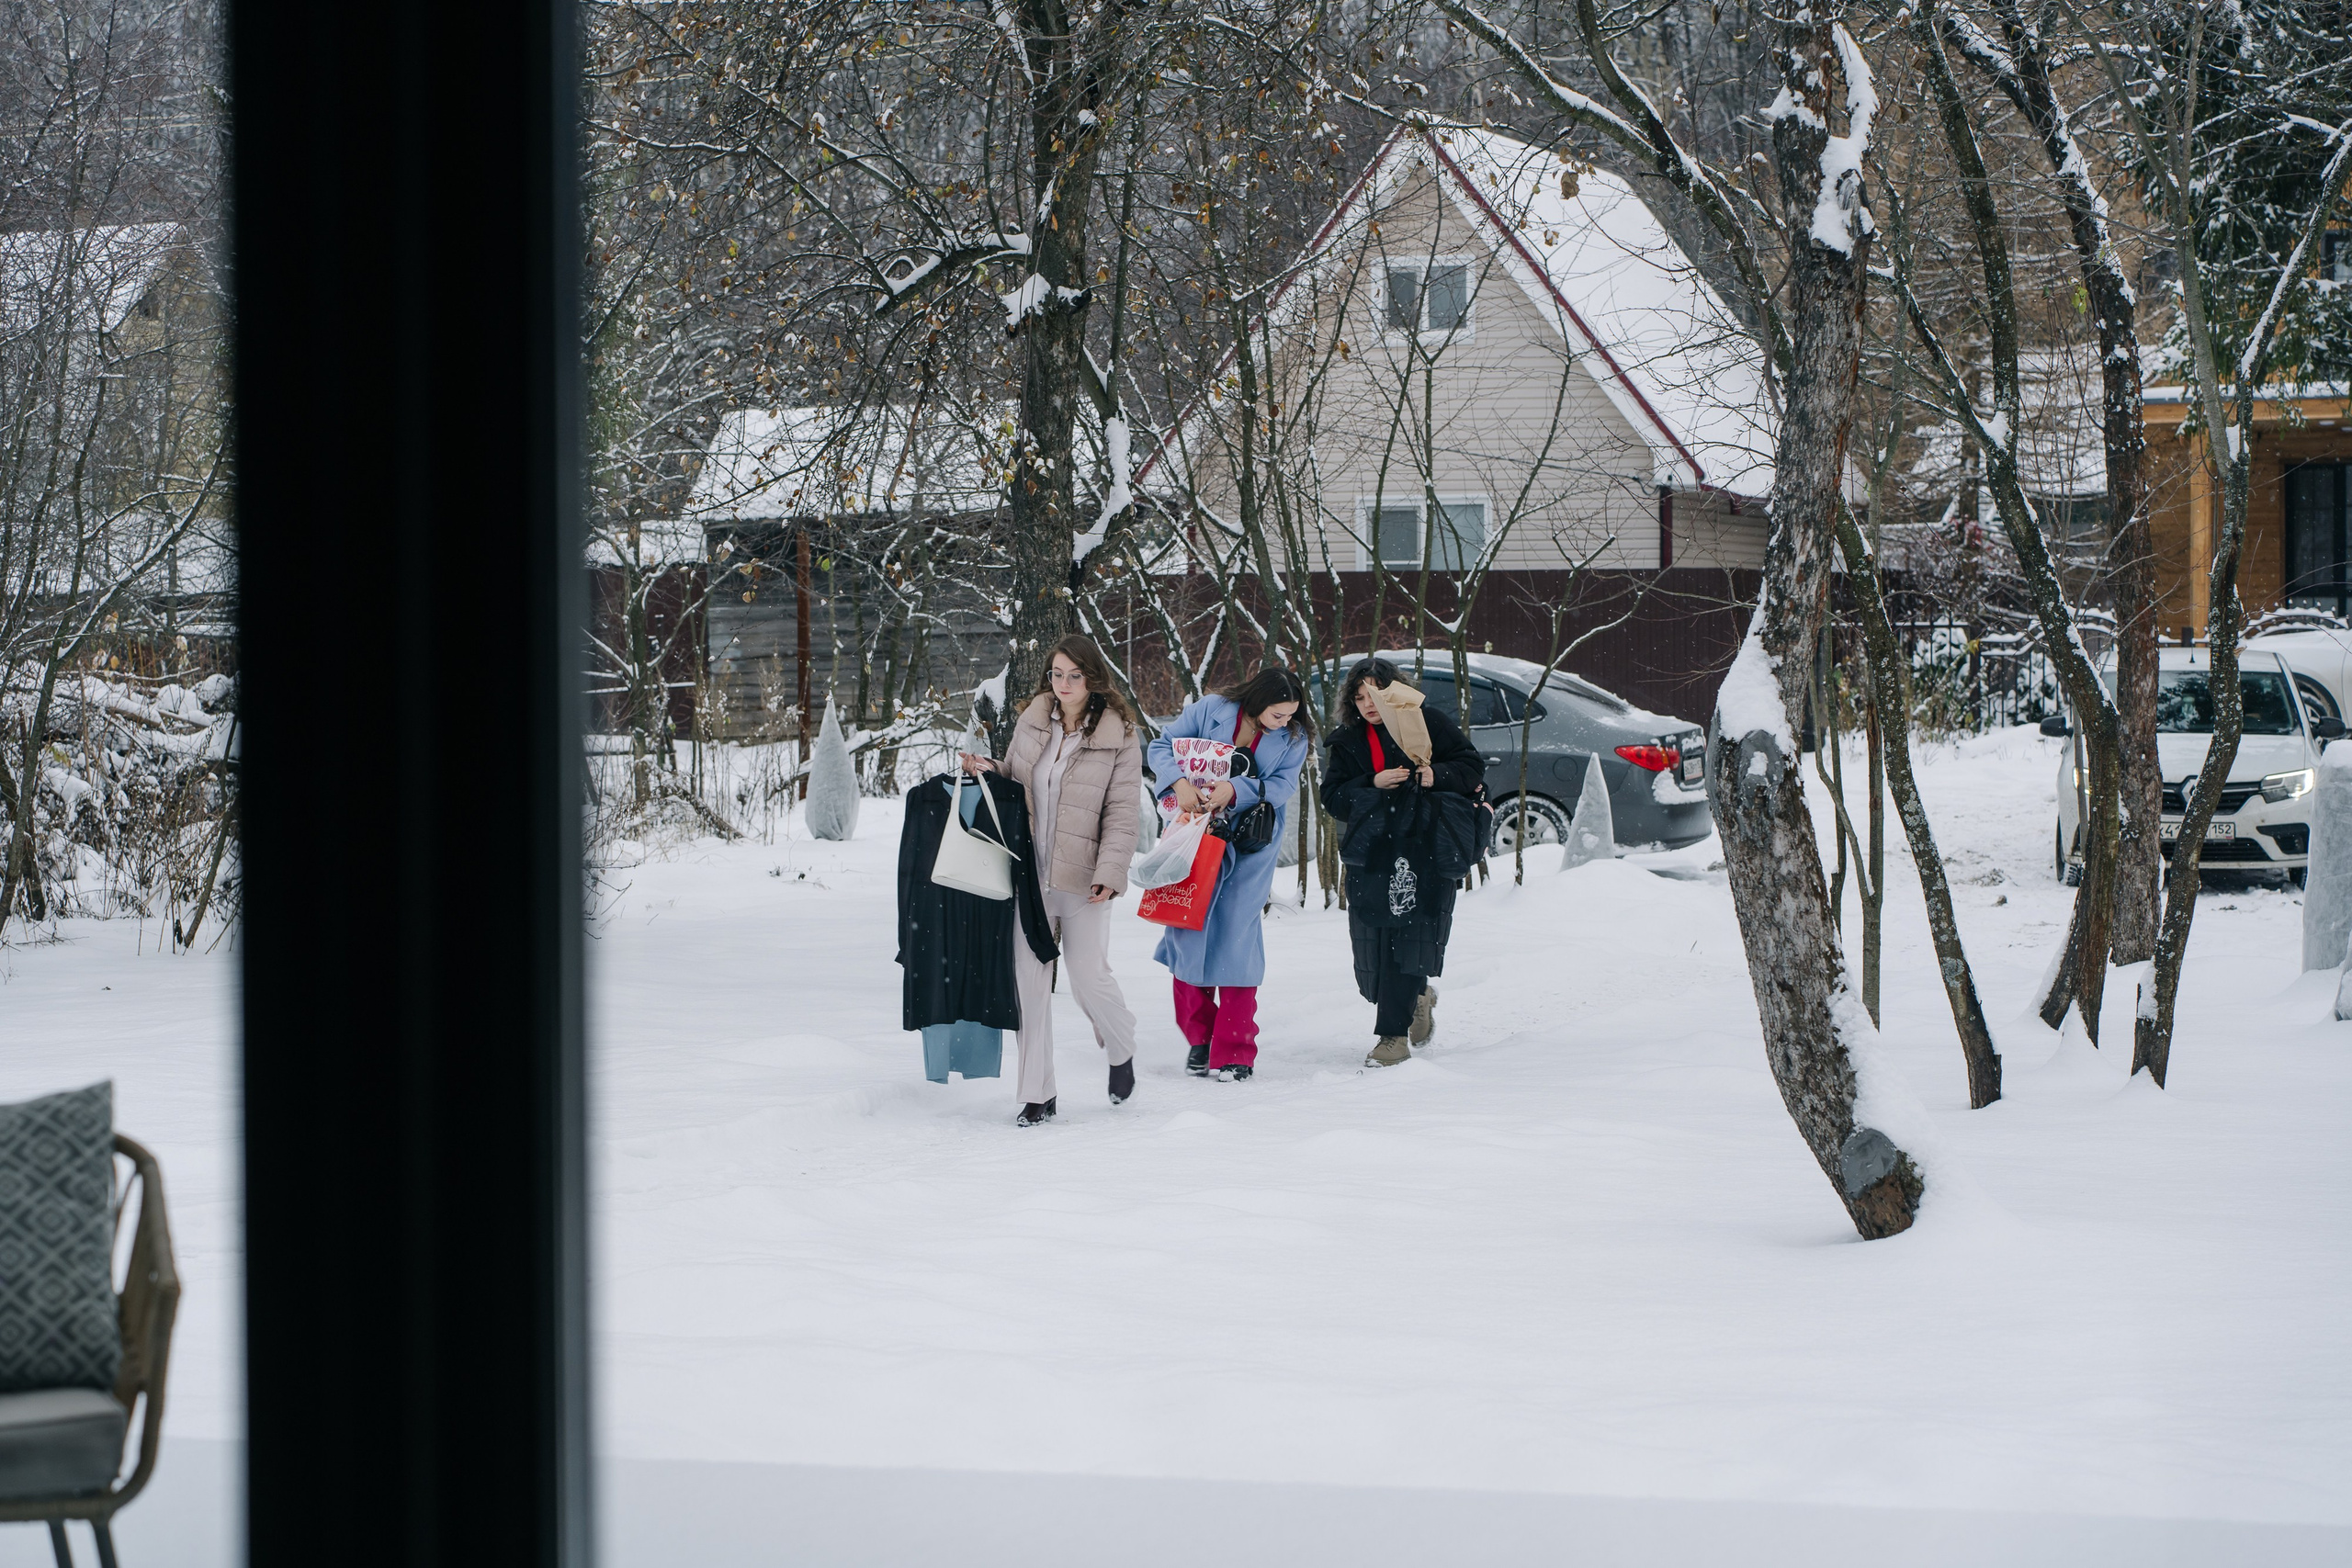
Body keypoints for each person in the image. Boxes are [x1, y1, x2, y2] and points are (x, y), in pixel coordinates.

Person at [962, 636, 1143, 1124]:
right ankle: (1037, 1092)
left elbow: (1123, 814)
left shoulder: (1120, 735)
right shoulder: (1033, 719)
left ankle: (1121, 1045)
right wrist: (987, 768)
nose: (1063, 684)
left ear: (1093, 678)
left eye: (1074, 675)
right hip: (1029, 875)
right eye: (1057, 674)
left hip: (1085, 880)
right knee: (1029, 983)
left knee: (1088, 977)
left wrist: (1110, 871)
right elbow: (1015, 778)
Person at [1145, 666, 1314, 1080]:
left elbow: (1283, 786)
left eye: (1290, 714)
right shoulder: (1211, 709)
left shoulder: (1293, 738)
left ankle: (1236, 1048)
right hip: (1193, 835)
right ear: (1257, 701)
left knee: (1238, 935)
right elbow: (1160, 747)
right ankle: (1200, 1040)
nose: (1284, 722)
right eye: (1278, 714)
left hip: (1251, 842)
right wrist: (1178, 783)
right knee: (1187, 928)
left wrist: (1238, 790)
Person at [1320, 657, 1486, 1068]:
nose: (1368, 704)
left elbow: (1471, 767)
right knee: (1375, 946)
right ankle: (1416, 997)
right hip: (1372, 853)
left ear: (1394, 689)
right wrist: (1370, 784)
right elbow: (1333, 798)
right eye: (1359, 697)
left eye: (1375, 693)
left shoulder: (1426, 722)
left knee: (1409, 938)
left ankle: (1391, 1038)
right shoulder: (1347, 740)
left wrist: (1434, 776)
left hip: (1426, 848)